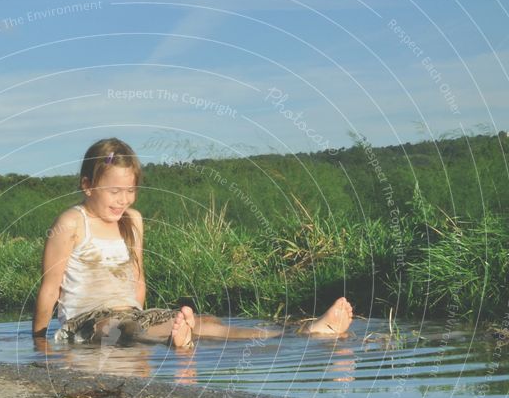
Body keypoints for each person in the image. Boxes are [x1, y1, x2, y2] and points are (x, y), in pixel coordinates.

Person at [32, 137, 353, 350]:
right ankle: (173, 338)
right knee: (116, 328)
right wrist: (39, 341)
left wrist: (144, 317)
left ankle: (301, 333)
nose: (123, 200)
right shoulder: (72, 223)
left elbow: (138, 278)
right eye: (114, 191)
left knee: (205, 322)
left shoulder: (133, 220)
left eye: (130, 191)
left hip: (129, 312)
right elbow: (50, 288)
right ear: (88, 186)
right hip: (87, 321)